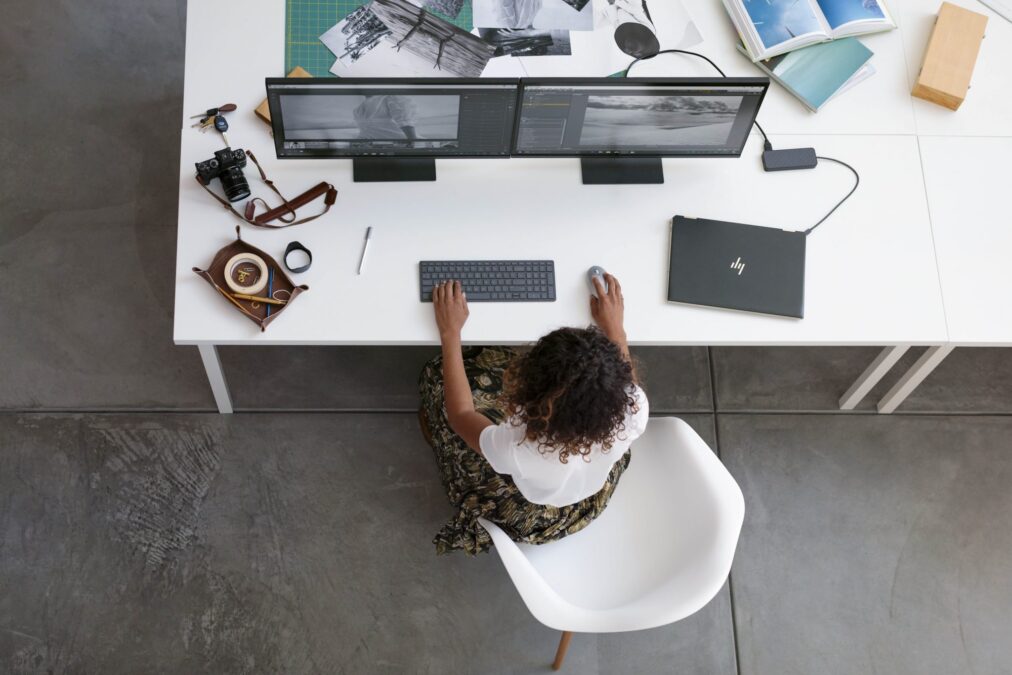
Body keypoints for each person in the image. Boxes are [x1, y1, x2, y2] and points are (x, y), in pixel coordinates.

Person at [418, 273, 649, 555]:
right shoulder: (634, 408)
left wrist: (449, 333)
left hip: (531, 511)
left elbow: (461, 414)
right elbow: (626, 380)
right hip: (587, 496)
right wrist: (616, 329)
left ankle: (434, 431)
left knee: (437, 376)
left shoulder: (518, 447)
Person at [353, 95, 419, 142]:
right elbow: (366, 131)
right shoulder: (358, 109)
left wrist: (413, 145)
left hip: (400, 146)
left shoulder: (390, 97)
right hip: (377, 148)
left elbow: (405, 123)